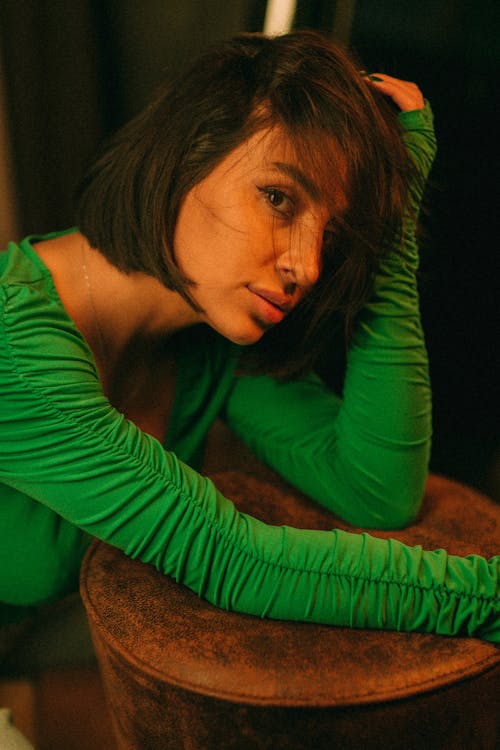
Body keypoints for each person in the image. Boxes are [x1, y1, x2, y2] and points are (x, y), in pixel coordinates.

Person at [0, 30, 498, 644]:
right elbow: (235, 559)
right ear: (186, 153)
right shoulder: (13, 347)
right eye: (278, 198)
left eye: (332, 233)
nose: (309, 267)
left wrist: (393, 238)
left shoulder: (204, 340)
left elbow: (378, 490)